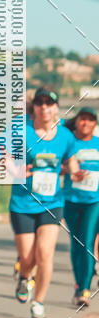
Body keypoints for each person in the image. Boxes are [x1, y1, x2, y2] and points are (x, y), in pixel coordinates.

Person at [10, 88, 80, 318]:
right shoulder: (22, 131)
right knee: (27, 257)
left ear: (56, 107)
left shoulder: (65, 136)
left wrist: (75, 173)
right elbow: (4, 157)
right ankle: (24, 275)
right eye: (40, 103)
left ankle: (38, 302)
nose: (44, 107)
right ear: (34, 108)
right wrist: (16, 170)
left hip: (52, 203)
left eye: (49, 103)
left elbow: (70, 160)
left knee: (45, 254)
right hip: (22, 203)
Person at [63, 107, 99, 307]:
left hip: (94, 202)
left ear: (95, 124)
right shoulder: (69, 143)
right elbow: (57, 167)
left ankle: (85, 288)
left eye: (90, 120)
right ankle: (78, 285)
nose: (86, 123)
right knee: (76, 244)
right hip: (71, 200)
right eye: (82, 119)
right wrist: (70, 169)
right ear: (76, 122)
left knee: (87, 242)